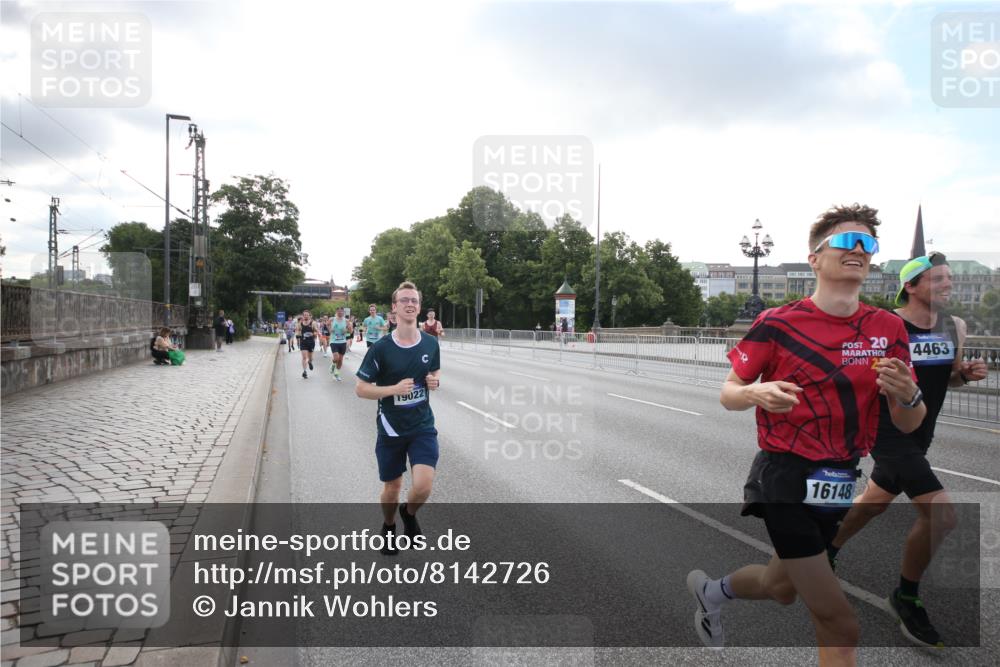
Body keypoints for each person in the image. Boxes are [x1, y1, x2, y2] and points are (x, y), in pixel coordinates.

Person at [687, 204, 925, 665]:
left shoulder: (888, 328)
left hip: (840, 479)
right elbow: (728, 392)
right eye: (845, 241)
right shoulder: (777, 323)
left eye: (867, 243)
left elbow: (908, 423)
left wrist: (910, 396)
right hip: (785, 476)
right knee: (840, 624)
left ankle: (712, 594)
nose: (858, 249)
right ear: (814, 258)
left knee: (781, 588)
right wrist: (759, 393)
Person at [827, 252, 989, 648]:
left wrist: (964, 376)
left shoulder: (956, 326)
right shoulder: (887, 325)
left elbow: (947, 379)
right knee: (943, 517)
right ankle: (906, 596)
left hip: (920, 432)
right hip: (887, 431)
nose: (948, 285)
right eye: (938, 279)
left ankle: (824, 550)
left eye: (949, 278)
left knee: (874, 503)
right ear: (911, 286)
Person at [356, 281, 441, 556]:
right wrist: (393, 390)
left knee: (423, 485)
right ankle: (389, 525)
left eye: (414, 300)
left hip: (422, 426)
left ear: (419, 306)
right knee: (392, 488)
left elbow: (435, 372)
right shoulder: (381, 348)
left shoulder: (430, 342)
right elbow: (361, 389)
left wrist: (433, 381)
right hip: (391, 429)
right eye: (404, 300)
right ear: (394, 307)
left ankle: (409, 512)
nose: (410, 304)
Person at [328, 307, 352, 381]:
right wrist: (330, 329)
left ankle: (337, 374)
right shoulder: (332, 319)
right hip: (334, 341)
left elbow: (350, 331)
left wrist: (346, 330)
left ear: (343, 312)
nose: (340, 313)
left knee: (340, 360)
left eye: (341, 312)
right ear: (336, 312)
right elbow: (328, 327)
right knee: (336, 357)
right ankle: (332, 365)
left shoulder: (347, 321)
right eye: (339, 311)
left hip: (342, 342)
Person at [296, 310, 319, 379]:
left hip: (311, 342)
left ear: (309, 316)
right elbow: (298, 331)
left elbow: (316, 331)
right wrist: (298, 336)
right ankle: (305, 371)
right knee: (304, 357)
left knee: (310, 358)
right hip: (303, 342)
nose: (305, 316)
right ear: (303, 316)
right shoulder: (300, 324)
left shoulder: (313, 323)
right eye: (304, 315)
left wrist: (313, 334)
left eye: (307, 315)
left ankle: (310, 362)